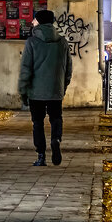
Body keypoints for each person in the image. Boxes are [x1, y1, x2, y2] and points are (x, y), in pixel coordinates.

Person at [18, 9, 72, 166]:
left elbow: (26, 68)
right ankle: (56, 139)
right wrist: (63, 86)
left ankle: (41, 155)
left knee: (38, 123)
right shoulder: (62, 42)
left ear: (39, 22)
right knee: (56, 118)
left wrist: (23, 90)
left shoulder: (32, 42)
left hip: (36, 92)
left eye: (35, 20)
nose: (33, 22)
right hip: (56, 89)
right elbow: (68, 67)